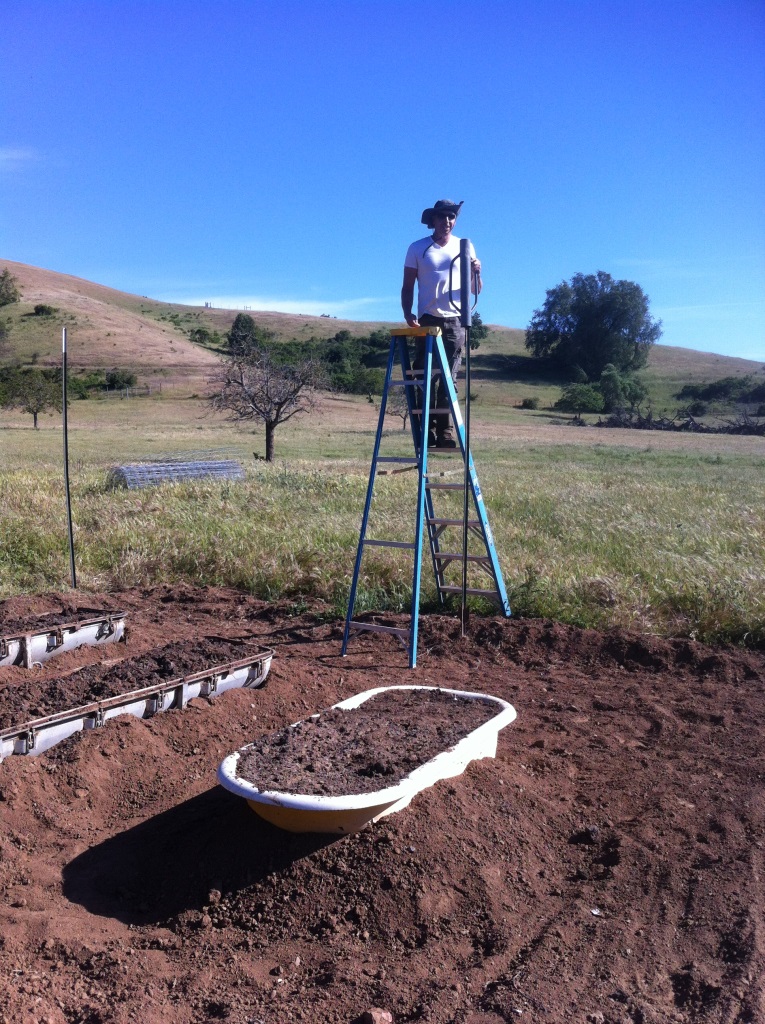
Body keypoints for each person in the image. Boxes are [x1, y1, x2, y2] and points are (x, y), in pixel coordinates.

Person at [401, 199, 481, 448]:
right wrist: (408, 313)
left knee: (449, 378)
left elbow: (476, 289)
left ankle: (445, 433)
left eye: (451, 217)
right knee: (425, 376)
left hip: (456, 320)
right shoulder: (418, 248)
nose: (447, 221)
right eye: (443, 216)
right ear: (433, 220)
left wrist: (477, 271)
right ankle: (426, 432)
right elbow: (407, 286)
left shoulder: (464, 246)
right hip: (427, 320)